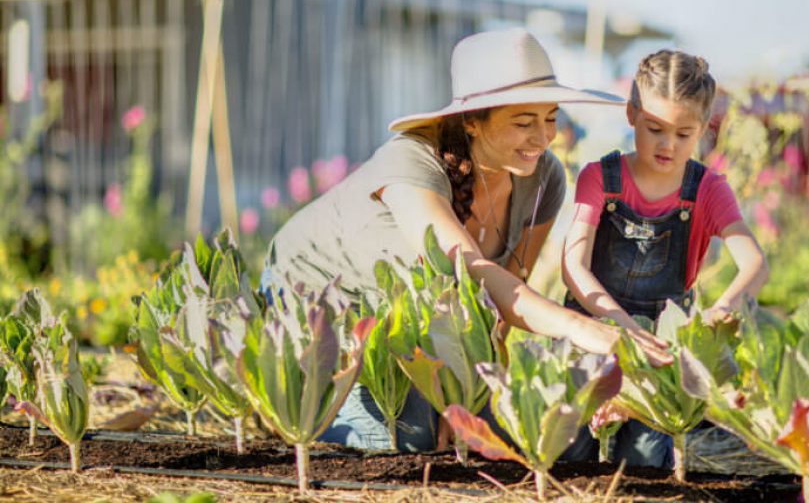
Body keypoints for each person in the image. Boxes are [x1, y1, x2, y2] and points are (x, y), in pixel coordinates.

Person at [263, 28, 672, 453]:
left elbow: (499, 303)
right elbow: (472, 271)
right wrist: (586, 330)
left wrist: (462, 400)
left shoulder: (544, 178)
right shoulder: (409, 161)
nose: (544, 136)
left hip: (410, 317)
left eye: (550, 117)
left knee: (473, 430)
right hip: (319, 305)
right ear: (473, 122)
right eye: (523, 122)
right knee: (404, 440)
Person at [561, 50, 769, 469]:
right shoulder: (600, 178)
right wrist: (620, 330)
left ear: (704, 128)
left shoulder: (708, 190)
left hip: (659, 352)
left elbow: (755, 264)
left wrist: (723, 309)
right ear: (632, 113)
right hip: (590, 332)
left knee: (642, 465)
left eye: (684, 133)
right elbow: (573, 266)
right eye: (655, 128)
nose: (667, 144)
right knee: (569, 457)